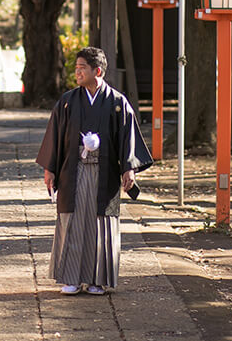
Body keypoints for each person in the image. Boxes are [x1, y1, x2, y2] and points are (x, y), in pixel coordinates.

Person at [36, 46, 152, 295]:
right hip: (73, 171)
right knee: (73, 221)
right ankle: (72, 278)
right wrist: (50, 169)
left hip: (104, 172)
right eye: (76, 68)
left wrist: (129, 168)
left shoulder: (118, 102)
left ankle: (97, 279)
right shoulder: (68, 101)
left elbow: (127, 138)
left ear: (97, 71)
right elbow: (55, 136)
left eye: (82, 68)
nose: (77, 73)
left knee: (102, 224)